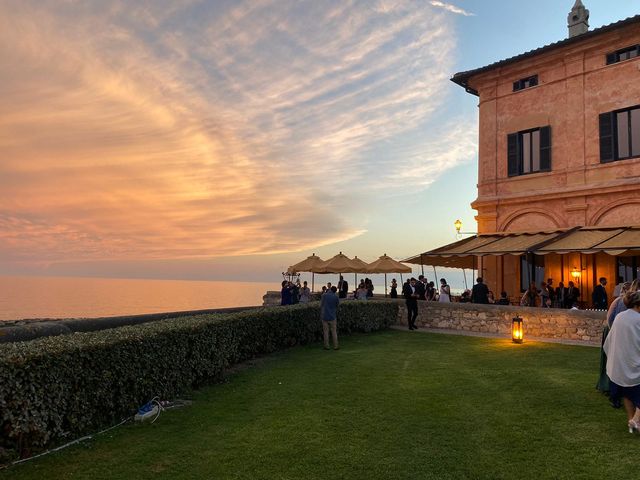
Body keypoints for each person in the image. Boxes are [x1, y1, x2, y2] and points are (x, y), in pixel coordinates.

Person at [603, 291, 640, 433]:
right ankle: (636, 420)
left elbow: (611, 341)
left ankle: (631, 421)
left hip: (620, 365)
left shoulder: (620, 317)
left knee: (627, 394)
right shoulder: (638, 319)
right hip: (634, 364)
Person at [320, 286, 340, 350]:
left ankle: (326, 346)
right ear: (335, 291)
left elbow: (321, 305)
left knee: (326, 332)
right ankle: (335, 346)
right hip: (332, 316)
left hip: (325, 315)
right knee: (334, 332)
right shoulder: (336, 296)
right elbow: (337, 305)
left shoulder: (324, 295)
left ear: (330, 289)